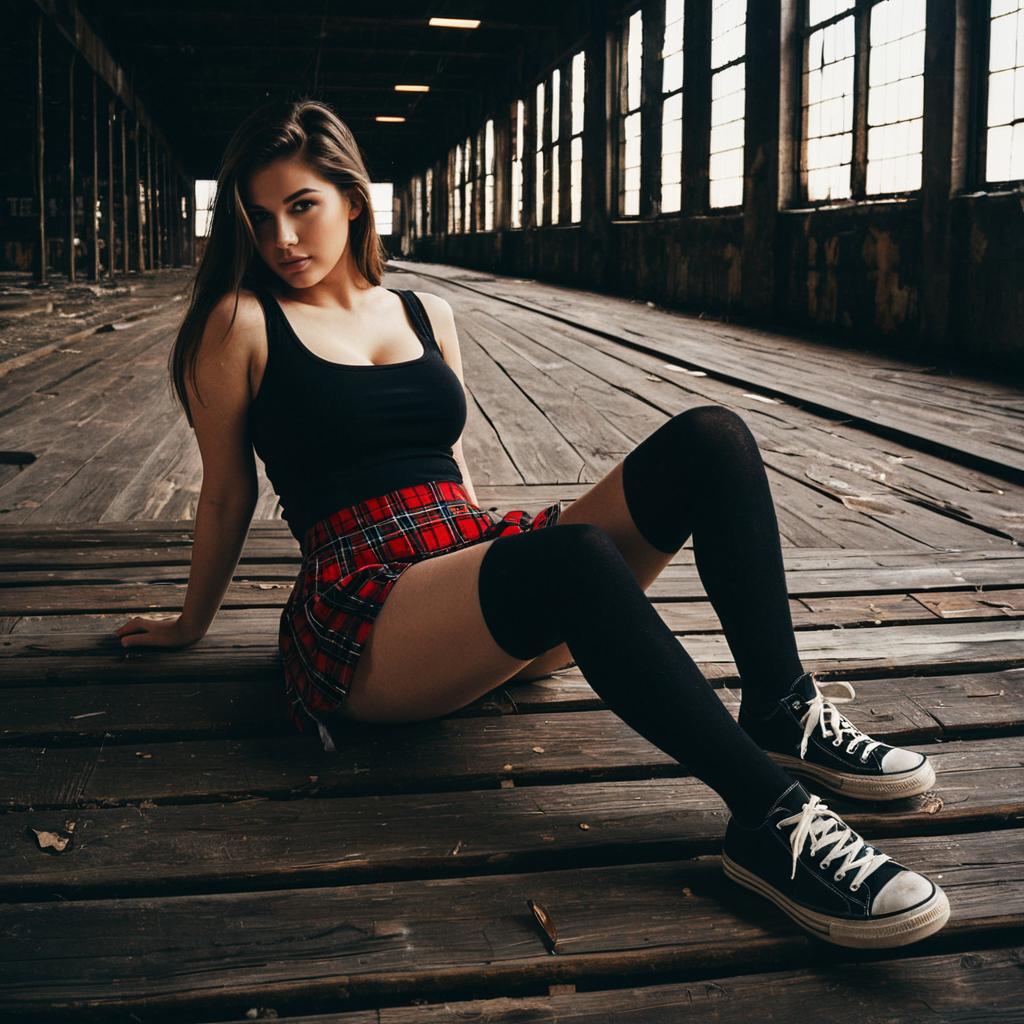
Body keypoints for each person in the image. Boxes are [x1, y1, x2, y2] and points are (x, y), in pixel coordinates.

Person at [115, 99, 949, 950]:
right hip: (370, 623)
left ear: (354, 199)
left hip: (472, 580)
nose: (282, 238)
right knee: (578, 557)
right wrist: (190, 626)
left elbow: (455, 463)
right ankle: (771, 822)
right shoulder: (240, 322)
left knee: (713, 438)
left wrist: (494, 562)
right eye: (259, 218)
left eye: (301, 206)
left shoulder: (422, 314)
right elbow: (226, 494)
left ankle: (781, 709)